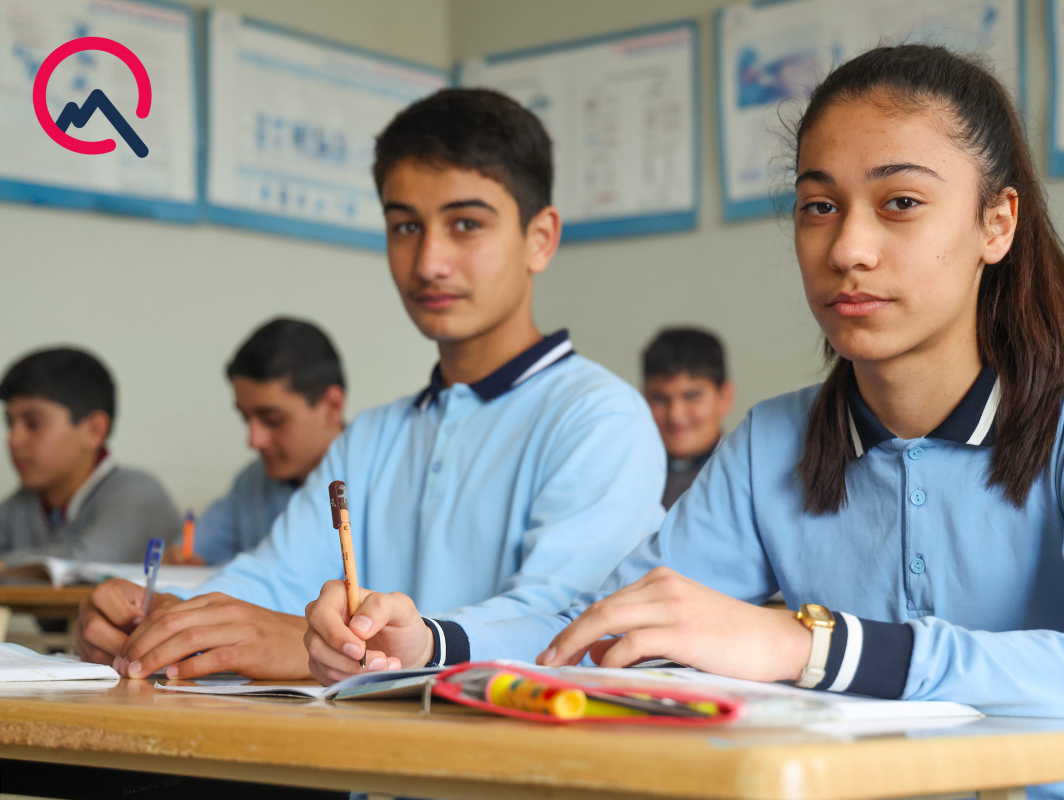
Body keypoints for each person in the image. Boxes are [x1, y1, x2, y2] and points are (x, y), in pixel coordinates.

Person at [302, 45, 1064, 800]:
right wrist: (429, 643)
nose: (848, 248)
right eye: (819, 206)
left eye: (901, 203)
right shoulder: (774, 444)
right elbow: (597, 626)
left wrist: (811, 646)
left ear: (997, 223)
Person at [74, 88, 666, 681]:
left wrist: (319, 645)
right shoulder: (375, 435)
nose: (429, 262)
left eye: (465, 224)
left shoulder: (601, 418)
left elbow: (565, 626)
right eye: (405, 226)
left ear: (540, 239)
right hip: (361, 740)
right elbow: (274, 577)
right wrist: (163, 617)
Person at [178, 318, 346, 567]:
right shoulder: (251, 484)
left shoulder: (377, 484)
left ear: (332, 406)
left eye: (273, 420)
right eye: (245, 418)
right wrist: (179, 564)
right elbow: (192, 554)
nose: (254, 440)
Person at [0, 348, 181, 562]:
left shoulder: (138, 495)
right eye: (10, 423)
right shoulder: (21, 505)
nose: (14, 440)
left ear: (95, 430)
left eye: (33, 423)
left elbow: (84, 566)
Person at [641, 328, 735, 509]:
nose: (675, 416)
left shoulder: (748, 478)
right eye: (660, 399)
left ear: (725, 396)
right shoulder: (627, 476)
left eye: (692, 396)